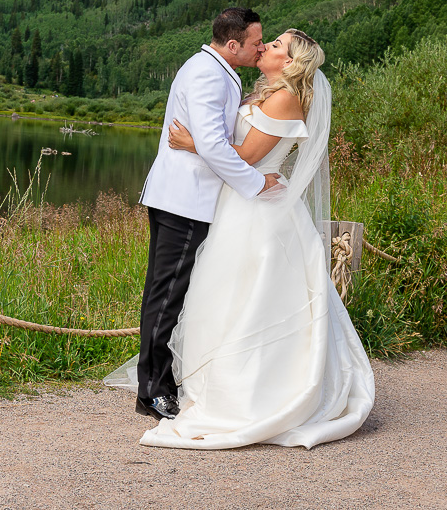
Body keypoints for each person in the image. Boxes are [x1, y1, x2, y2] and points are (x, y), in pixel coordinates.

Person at [138, 29, 375, 449]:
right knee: (226, 294)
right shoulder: (269, 91)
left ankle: (252, 387)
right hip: (241, 199)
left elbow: (246, 156)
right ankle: (209, 379)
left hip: (260, 207)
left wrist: (191, 143)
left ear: (290, 63)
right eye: (267, 41)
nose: (265, 47)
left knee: (252, 296)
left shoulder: (286, 98)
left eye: (277, 45)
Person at [129, 7, 283, 420]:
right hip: (184, 200)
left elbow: (210, 139)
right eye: (254, 43)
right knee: (166, 294)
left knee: (171, 293)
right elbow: (214, 146)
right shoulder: (206, 73)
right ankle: (153, 391)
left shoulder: (218, 71)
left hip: (190, 198)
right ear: (233, 45)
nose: (260, 48)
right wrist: (256, 185)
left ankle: (159, 381)